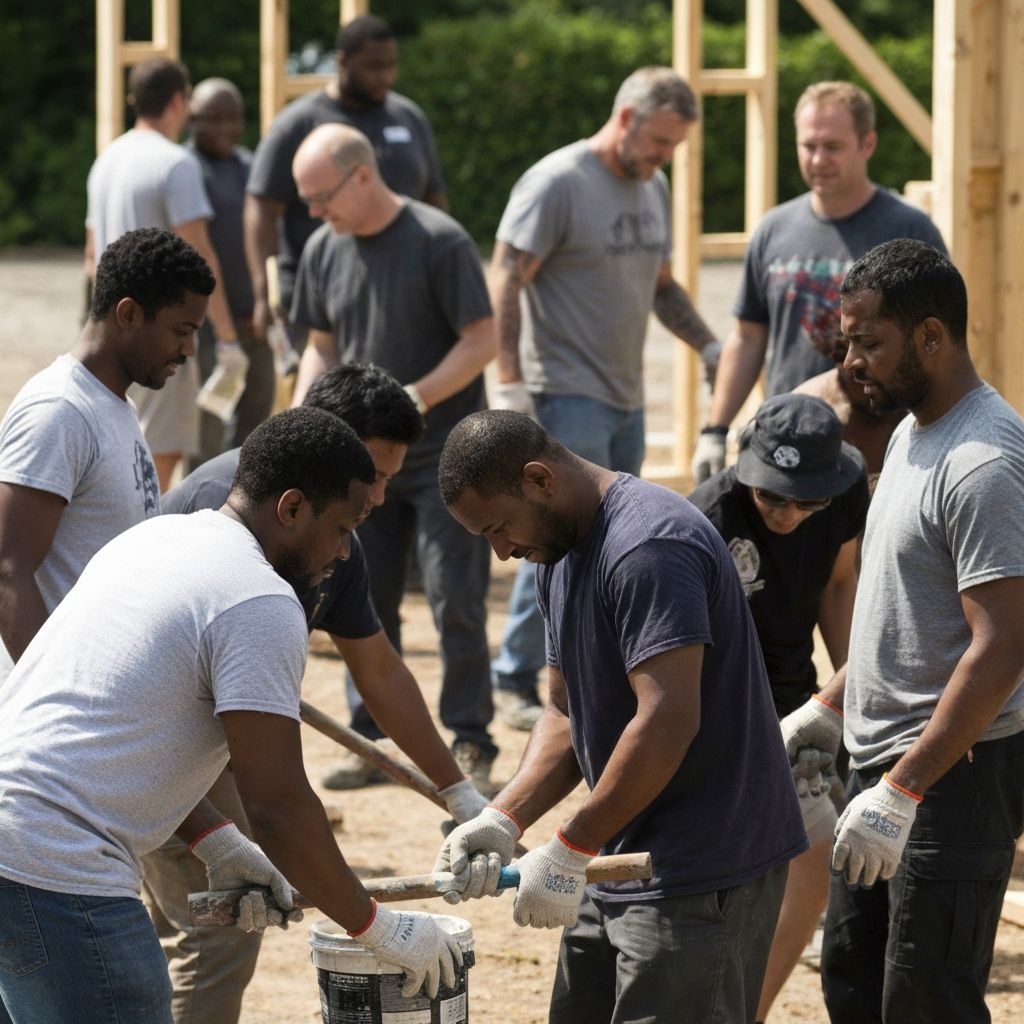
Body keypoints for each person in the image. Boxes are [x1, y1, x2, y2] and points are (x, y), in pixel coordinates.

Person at [0, 408, 465, 1024]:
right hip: (56, 871)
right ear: (292, 508)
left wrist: (216, 839)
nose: (346, 552)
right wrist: (376, 926)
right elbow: (279, 806)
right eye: (344, 527)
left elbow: (109, 740)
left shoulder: (151, 540)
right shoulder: (259, 600)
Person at [433, 410, 808, 1023]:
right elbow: (564, 710)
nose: (502, 553)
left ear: (539, 479)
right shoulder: (557, 552)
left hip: (701, 865)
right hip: (613, 849)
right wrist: (504, 816)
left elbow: (667, 719)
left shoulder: (648, 546)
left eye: (500, 528)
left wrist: (567, 847)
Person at [149, 364, 489, 1024]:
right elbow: (277, 801)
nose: (382, 498)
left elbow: (381, 671)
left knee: (182, 929)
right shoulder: (228, 511)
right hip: (163, 739)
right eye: (378, 477)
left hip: (203, 736)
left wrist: (460, 794)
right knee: (215, 933)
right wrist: (378, 929)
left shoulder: (336, 536)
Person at [777, 239, 1024, 1022]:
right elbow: (909, 619)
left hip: (954, 778)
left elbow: (1003, 647)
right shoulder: (914, 436)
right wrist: (830, 706)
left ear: (931, 337)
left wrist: (905, 789)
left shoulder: (984, 463)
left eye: (869, 342)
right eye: (847, 341)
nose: (852, 363)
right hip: (881, 769)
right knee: (853, 983)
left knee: (928, 1004)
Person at [486, 66, 723, 731]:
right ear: (625, 118)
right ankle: (514, 677)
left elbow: (660, 285)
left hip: (625, 398)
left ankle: (589, 674)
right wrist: (509, 384)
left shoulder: (656, 187)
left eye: (674, 146)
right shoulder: (559, 182)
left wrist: (709, 346)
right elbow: (507, 274)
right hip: (564, 397)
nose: (663, 156)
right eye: (658, 141)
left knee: (613, 547)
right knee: (553, 541)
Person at [289, 123, 498, 789]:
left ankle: (470, 737)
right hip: (354, 464)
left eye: (322, 197)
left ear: (361, 175)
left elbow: (482, 340)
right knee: (361, 599)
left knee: (454, 597)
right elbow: (320, 344)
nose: (315, 213)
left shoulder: (439, 240)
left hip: (442, 459)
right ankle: (370, 741)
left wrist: (414, 400)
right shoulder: (325, 246)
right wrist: (303, 421)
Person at [689, 393, 868, 1022]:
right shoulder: (707, 514)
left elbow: (840, 585)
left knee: (813, 865)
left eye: (805, 500)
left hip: (801, 698)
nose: (789, 513)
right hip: (720, 704)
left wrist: (850, 702)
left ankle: (748, 1012)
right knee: (743, 874)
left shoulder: (846, 497)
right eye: (772, 497)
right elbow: (684, 657)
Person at [692, 80, 946, 483]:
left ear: (868, 144)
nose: (818, 159)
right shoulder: (774, 229)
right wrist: (715, 430)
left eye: (833, 146)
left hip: (885, 449)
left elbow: (939, 342)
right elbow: (748, 336)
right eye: (808, 146)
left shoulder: (909, 229)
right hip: (791, 446)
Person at [0, 228, 213, 683]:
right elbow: (7, 567)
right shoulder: (60, 411)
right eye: (181, 330)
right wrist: (50, 694)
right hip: (49, 716)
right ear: (129, 314)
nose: (189, 350)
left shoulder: (116, 407)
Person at [86, 56, 246, 490]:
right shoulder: (176, 163)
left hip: (112, 326)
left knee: (117, 454)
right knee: (154, 467)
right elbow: (201, 257)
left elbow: (90, 255)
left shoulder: (107, 159)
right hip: (160, 331)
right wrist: (228, 337)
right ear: (180, 100)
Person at [245, 13, 446, 345]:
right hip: (323, 295)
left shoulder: (409, 118)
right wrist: (265, 291)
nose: (386, 76)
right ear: (343, 62)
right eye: (374, 67)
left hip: (406, 289)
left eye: (391, 65)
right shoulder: (300, 123)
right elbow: (262, 206)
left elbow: (434, 196)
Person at [188, 77, 275, 463]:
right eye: (214, 118)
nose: (226, 128)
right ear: (192, 118)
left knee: (256, 424)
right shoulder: (186, 169)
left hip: (253, 319)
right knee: (206, 427)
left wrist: (268, 300)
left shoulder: (250, 164)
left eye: (233, 118)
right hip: (206, 326)